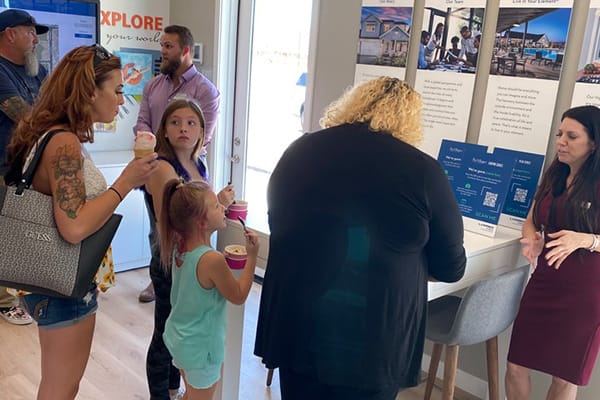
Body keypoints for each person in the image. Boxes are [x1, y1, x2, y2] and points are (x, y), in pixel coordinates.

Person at [254, 76, 467, 400]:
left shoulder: (300, 150)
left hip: (298, 321)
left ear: (353, 103)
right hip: (374, 334)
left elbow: (279, 223)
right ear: (409, 119)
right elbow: (452, 267)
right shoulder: (423, 172)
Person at [5, 44, 157, 399]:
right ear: (90, 91)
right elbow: (73, 227)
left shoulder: (51, 132)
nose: (122, 100)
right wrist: (125, 182)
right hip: (62, 283)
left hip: (51, 280)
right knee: (61, 389)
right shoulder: (64, 144)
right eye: (117, 90)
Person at [142, 98, 235, 400]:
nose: (183, 128)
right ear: (164, 132)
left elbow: (198, 211)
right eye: (175, 122)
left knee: (184, 327)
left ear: (202, 131)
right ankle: (162, 393)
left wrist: (217, 202)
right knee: (166, 332)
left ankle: (176, 387)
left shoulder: (198, 163)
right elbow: (172, 218)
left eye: (191, 122)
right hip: (172, 260)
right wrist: (215, 203)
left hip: (190, 260)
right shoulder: (162, 168)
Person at [506, 105, 600, 400]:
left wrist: (585, 240)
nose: (561, 141)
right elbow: (532, 219)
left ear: (594, 143)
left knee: (564, 376)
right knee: (516, 366)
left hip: (584, 292)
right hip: (544, 282)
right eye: (560, 134)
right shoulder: (555, 173)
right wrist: (531, 237)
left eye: (571, 136)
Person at [134, 24, 223, 304]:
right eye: (162, 45)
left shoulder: (206, 92)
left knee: (188, 229)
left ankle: (191, 278)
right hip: (155, 169)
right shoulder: (152, 86)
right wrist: (150, 148)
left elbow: (203, 137)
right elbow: (142, 123)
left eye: (168, 46)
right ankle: (160, 278)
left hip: (189, 172)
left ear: (186, 51)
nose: (162, 51)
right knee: (158, 230)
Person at [158, 179, 258, 400]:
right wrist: (252, 257)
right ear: (201, 221)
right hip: (201, 349)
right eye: (215, 206)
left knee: (192, 394)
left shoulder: (180, 247)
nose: (223, 208)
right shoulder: (212, 260)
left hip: (180, 339)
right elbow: (239, 295)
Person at [0, 8, 49, 325]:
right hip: (3, 168)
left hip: (31, 168)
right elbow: (25, 116)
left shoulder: (38, 70)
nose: (35, 38)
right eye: (30, 31)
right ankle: (5, 300)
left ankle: (23, 291)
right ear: (9, 34)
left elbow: (52, 109)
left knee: (24, 234)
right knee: (5, 235)